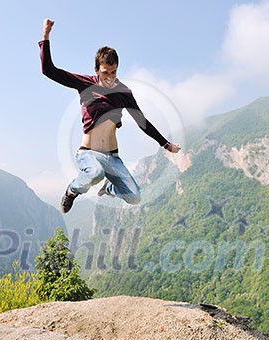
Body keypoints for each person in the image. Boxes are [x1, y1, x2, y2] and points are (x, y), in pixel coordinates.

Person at [39, 19, 181, 214]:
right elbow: (49, 71)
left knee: (134, 197)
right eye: (106, 72)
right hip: (89, 153)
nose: (110, 77)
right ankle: (72, 190)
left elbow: (142, 122)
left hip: (113, 157)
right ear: (96, 69)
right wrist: (45, 36)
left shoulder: (123, 92)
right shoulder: (85, 84)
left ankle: (110, 187)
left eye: (114, 72)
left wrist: (166, 144)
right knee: (95, 173)